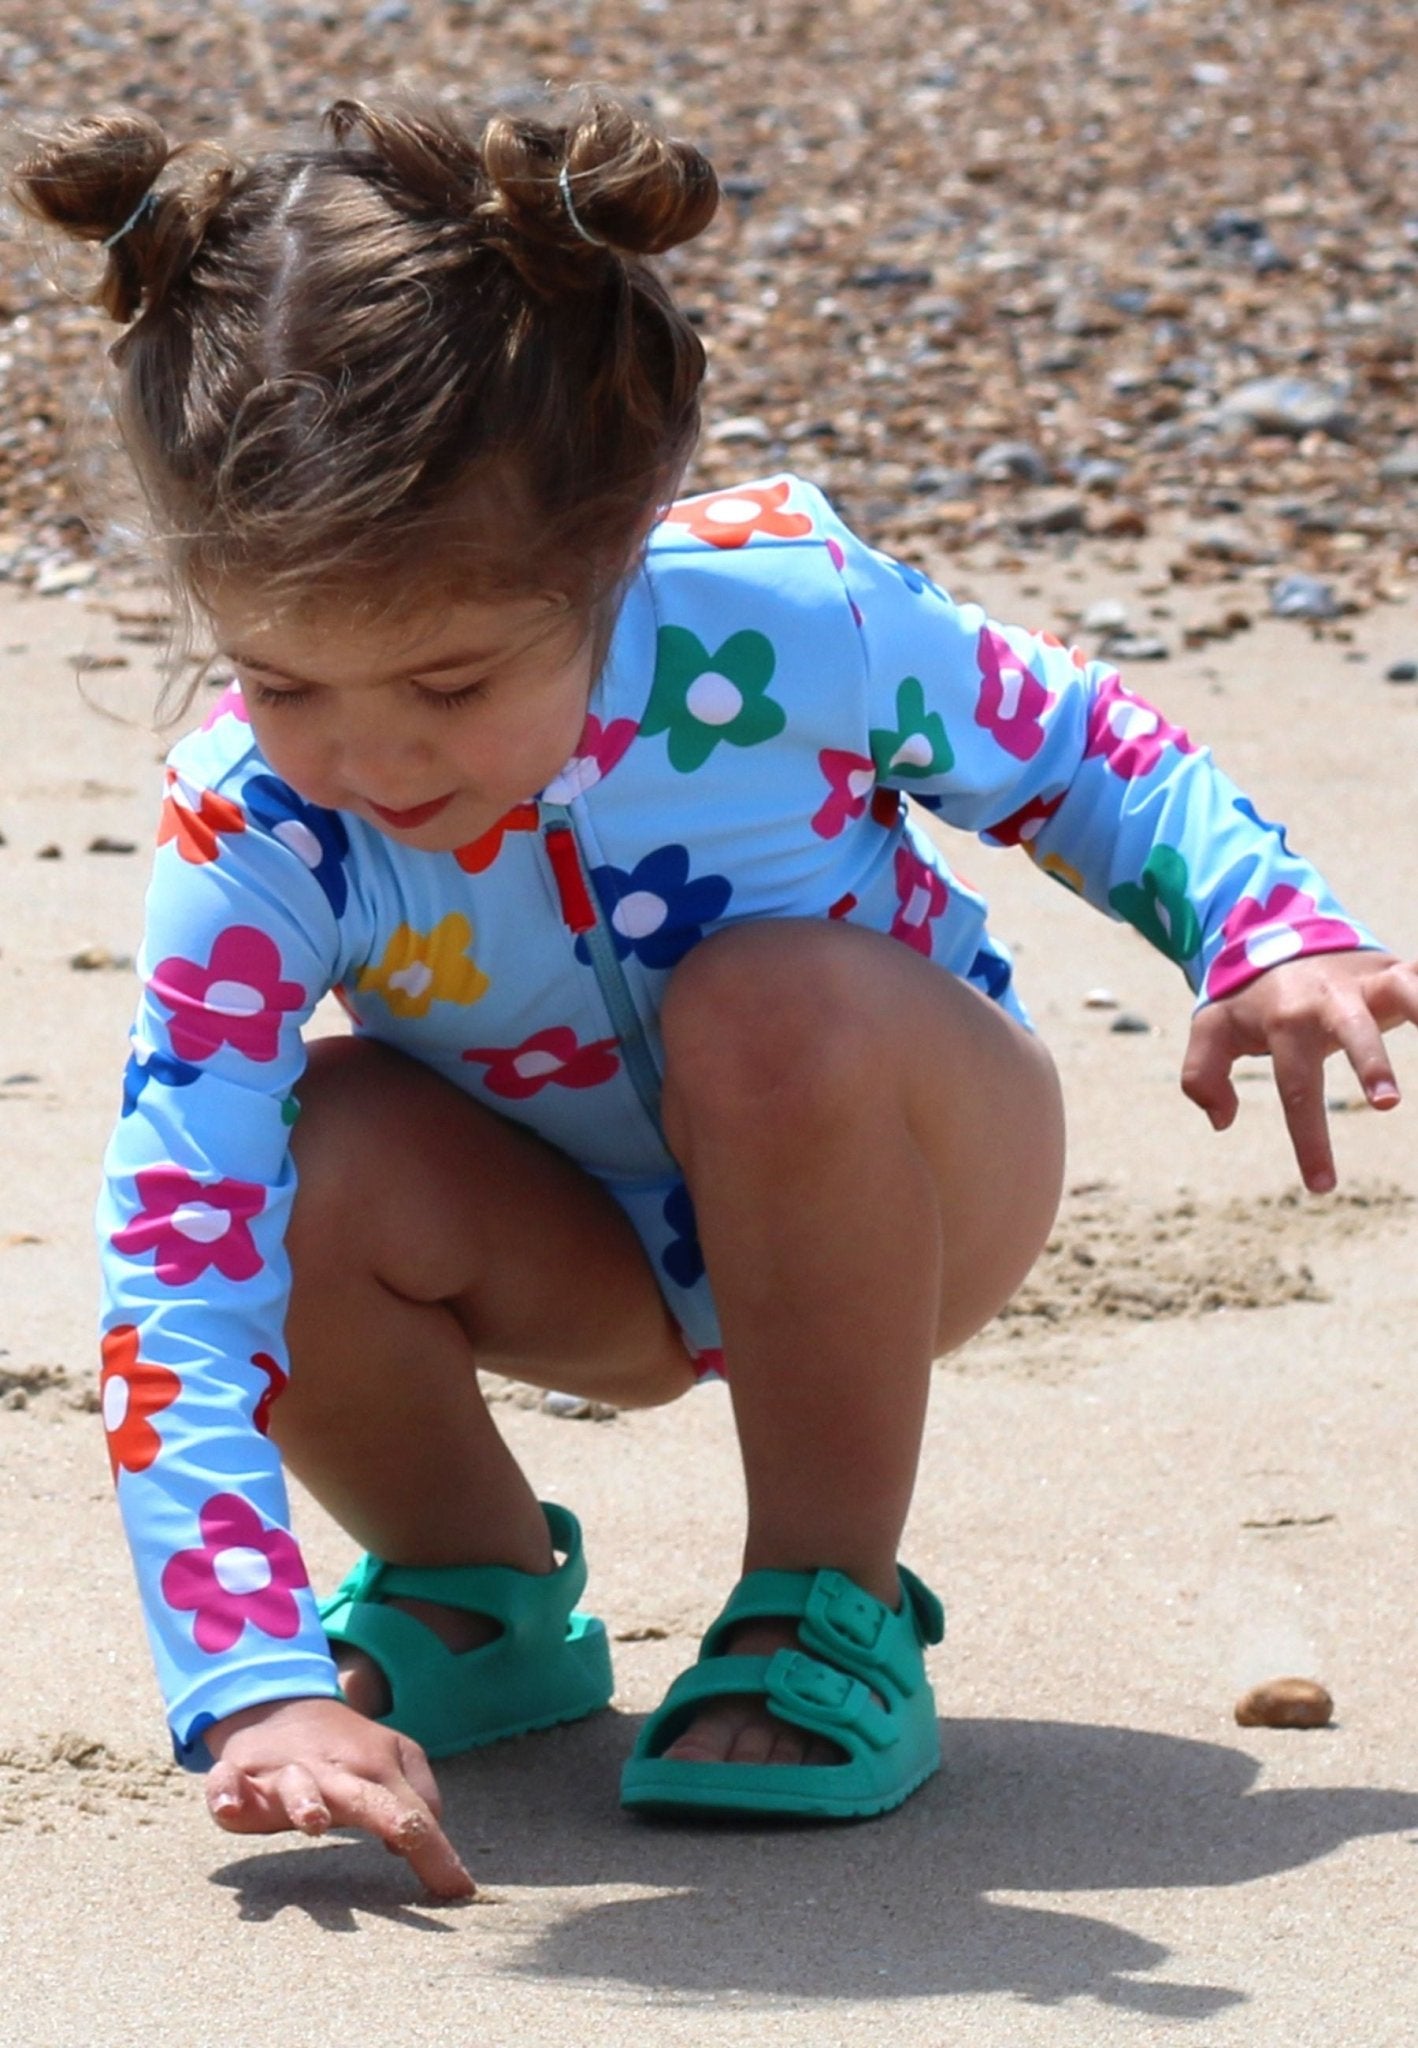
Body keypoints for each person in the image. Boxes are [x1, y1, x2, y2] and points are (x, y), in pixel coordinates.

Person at [14, 92, 1415, 1903]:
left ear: (611, 542)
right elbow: (181, 1249)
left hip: (905, 1179)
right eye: (282, 683)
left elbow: (1083, 751)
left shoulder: (780, 619)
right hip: (564, 1251)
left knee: (768, 1005)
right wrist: (248, 1679)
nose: (368, 759)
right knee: (304, 1147)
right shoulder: (259, 824)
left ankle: (823, 1594)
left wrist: (1266, 934)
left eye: (448, 682)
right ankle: (471, 1593)